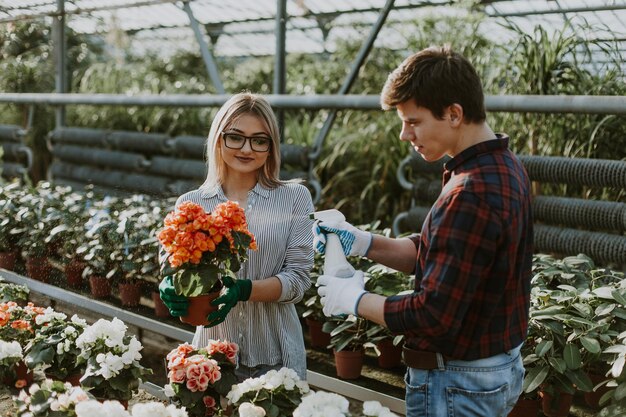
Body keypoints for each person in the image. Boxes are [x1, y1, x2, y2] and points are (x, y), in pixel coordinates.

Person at [313, 45, 533, 417]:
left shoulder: (471, 191)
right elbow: (444, 254)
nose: (404, 134)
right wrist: (364, 242)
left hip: (456, 384)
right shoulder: (502, 167)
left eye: (413, 121)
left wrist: (353, 299)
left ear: (453, 113)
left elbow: (433, 314)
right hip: (490, 371)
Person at [159, 92, 314, 381]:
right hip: (212, 360)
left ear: (271, 147)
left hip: (277, 358)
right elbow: (170, 265)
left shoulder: (294, 198)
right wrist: (170, 285)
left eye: (259, 140)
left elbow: (299, 279)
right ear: (219, 138)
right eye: (236, 137)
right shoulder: (191, 204)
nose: (247, 148)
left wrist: (243, 290)